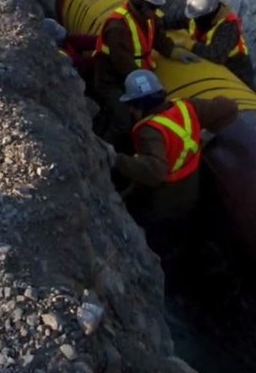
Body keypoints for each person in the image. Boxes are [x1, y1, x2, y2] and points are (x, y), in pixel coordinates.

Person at [101, 70, 238, 258]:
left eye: (133, 105)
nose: (131, 111)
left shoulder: (151, 131)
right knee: (176, 236)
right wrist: (206, 134)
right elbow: (229, 107)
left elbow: (155, 173)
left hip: (166, 200)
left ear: (142, 104)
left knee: (158, 241)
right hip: (191, 189)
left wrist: (117, 160)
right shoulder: (187, 107)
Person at [91, 0, 197, 146]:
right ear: (140, 4)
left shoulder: (148, 18)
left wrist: (175, 52)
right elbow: (124, 66)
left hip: (135, 75)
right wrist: (148, 95)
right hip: (111, 81)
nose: (156, 11)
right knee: (124, 120)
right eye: (154, 7)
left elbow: (159, 40)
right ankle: (103, 149)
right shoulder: (118, 27)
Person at [170, 0, 255, 88]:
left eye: (197, 18)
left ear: (208, 15)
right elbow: (175, 20)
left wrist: (187, 44)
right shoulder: (198, 14)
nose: (193, 19)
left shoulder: (228, 26)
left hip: (237, 68)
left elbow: (217, 55)